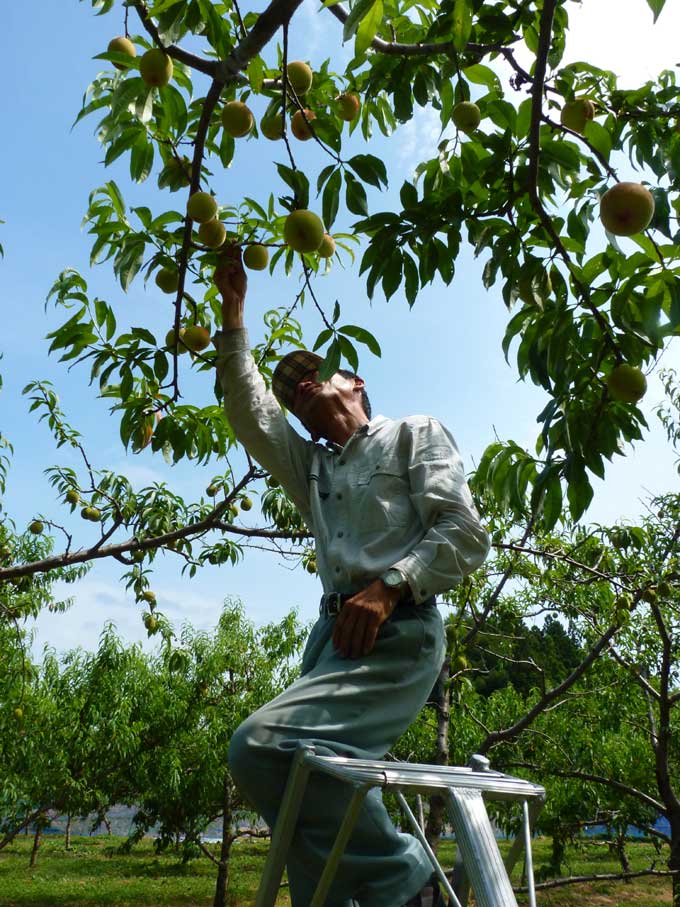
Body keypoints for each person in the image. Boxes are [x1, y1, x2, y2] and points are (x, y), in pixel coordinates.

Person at [212, 246, 490, 907]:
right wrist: (233, 310)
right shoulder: (311, 468)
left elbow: (466, 534)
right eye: (290, 389)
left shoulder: (412, 435)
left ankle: (407, 879)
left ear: (356, 380)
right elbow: (250, 410)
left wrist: (390, 584)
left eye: (312, 374)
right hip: (331, 639)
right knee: (317, 815)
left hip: (397, 629)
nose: (297, 385)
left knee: (259, 747)